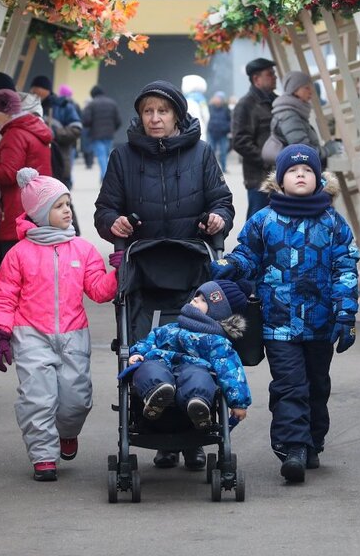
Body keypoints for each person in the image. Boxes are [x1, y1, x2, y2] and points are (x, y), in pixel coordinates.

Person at [94, 79, 235, 470]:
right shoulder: (123, 157)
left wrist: (217, 219)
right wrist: (114, 223)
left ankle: (192, 436)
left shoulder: (202, 154)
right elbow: (105, 209)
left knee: (196, 348)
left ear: (177, 115)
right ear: (140, 116)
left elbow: (222, 201)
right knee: (146, 348)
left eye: (163, 111)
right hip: (144, 268)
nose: (155, 118)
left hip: (192, 267)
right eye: (148, 112)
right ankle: (163, 437)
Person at [212, 144, 359, 484]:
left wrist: (346, 315)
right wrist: (231, 264)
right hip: (278, 325)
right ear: (279, 180)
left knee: (317, 385)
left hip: (321, 325)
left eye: (307, 170)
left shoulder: (333, 223)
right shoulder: (264, 221)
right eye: (293, 171)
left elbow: (345, 269)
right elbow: (248, 254)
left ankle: (313, 440)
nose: (301, 175)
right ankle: (291, 447)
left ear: (319, 177)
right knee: (290, 385)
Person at [0, 168, 118, 481]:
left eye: (68, 204)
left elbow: (99, 291)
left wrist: (117, 272)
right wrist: (0, 334)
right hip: (31, 333)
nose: (67, 211)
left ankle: (67, 431)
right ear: (41, 213)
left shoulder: (82, 250)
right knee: (38, 397)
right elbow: (4, 297)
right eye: (59, 206)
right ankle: (43, 456)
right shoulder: (19, 255)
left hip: (74, 334)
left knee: (77, 399)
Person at [127, 280, 251, 430]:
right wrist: (137, 353)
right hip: (162, 363)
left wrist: (238, 403)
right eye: (196, 296)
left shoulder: (217, 342)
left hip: (194, 367)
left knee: (199, 376)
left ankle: (197, 405)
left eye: (203, 300)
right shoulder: (170, 328)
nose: (195, 300)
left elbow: (231, 371)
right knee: (149, 367)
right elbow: (149, 341)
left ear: (217, 312)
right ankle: (156, 394)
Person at [0, 89, 53, 276]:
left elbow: (8, 174)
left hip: (18, 213)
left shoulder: (15, 134)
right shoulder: (31, 129)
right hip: (35, 210)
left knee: (14, 275)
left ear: (6, 112)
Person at [232, 57, 277, 220]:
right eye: (270, 74)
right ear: (257, 79)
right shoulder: (246, 104)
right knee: (257, 224)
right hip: (259, 179)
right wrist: (266, 161)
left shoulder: (276, 102)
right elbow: (239, 141)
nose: (275, 77)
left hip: (279, 176)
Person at [265, 70, 338, 167]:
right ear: (294, 90)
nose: (311, 91)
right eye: (306, 88)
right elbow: (304, 152)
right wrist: (328, 150)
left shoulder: (294, 111)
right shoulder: (289, 116)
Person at [28, 75, 82, 190]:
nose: (32, 92)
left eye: (35, 89)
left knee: (60, 201)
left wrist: (54, 133)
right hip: (37, 165)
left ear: (45, 89)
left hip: (59, 161)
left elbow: (76, 129)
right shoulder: (30, 107)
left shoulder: (63, 106)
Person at [81, 85, 122, 180]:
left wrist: (90, 127)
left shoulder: (91, 104)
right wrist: (112, 129)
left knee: (101, 156)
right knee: (107, 156)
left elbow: (86, 120)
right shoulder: (112, 103)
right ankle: (104, 176)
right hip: (109, 135)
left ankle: (105, 178)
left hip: (96, 135)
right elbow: (118, 121)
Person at [207, 92, 232, 171]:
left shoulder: (226, 109)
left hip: (223, 133)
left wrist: (227, 128)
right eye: (217, 98)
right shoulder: (210, 107)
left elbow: (231, 120)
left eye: (219, 98)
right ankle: (211, 169)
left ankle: (224, 168)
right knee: (211, 151)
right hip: (211, 133)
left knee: (223, 152)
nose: (218, 100)